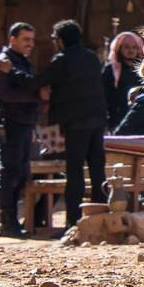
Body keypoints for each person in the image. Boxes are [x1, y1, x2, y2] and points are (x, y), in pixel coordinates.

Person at [33, 21, 109, 228]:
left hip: (76, 124)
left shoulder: (62, 60)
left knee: (75, 173)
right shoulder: (92, 58)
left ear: (60, 40)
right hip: (97, 121)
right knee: (97, 172)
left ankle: (73, 223)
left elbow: (38, 81)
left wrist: (14, 74)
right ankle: (100, 221)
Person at [0, 22, 40, 237]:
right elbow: (6, 95)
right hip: (10, 122)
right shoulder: (4, 62)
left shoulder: (22, 62)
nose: (30, 44)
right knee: (10, 171)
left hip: (24, 123)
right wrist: (36, 95)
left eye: (32, 40)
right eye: (25, 39)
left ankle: (14, 221)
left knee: (21, 172)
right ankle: (7, 222)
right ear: (13, 39)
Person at [103, 31, 144, 130]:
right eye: (126, 47)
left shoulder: (143, 71)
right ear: (119, 49)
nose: (130, 50)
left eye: (134, 47)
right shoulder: (111, 69)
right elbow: (104, 95)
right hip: (117, 117)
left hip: (139, 115)